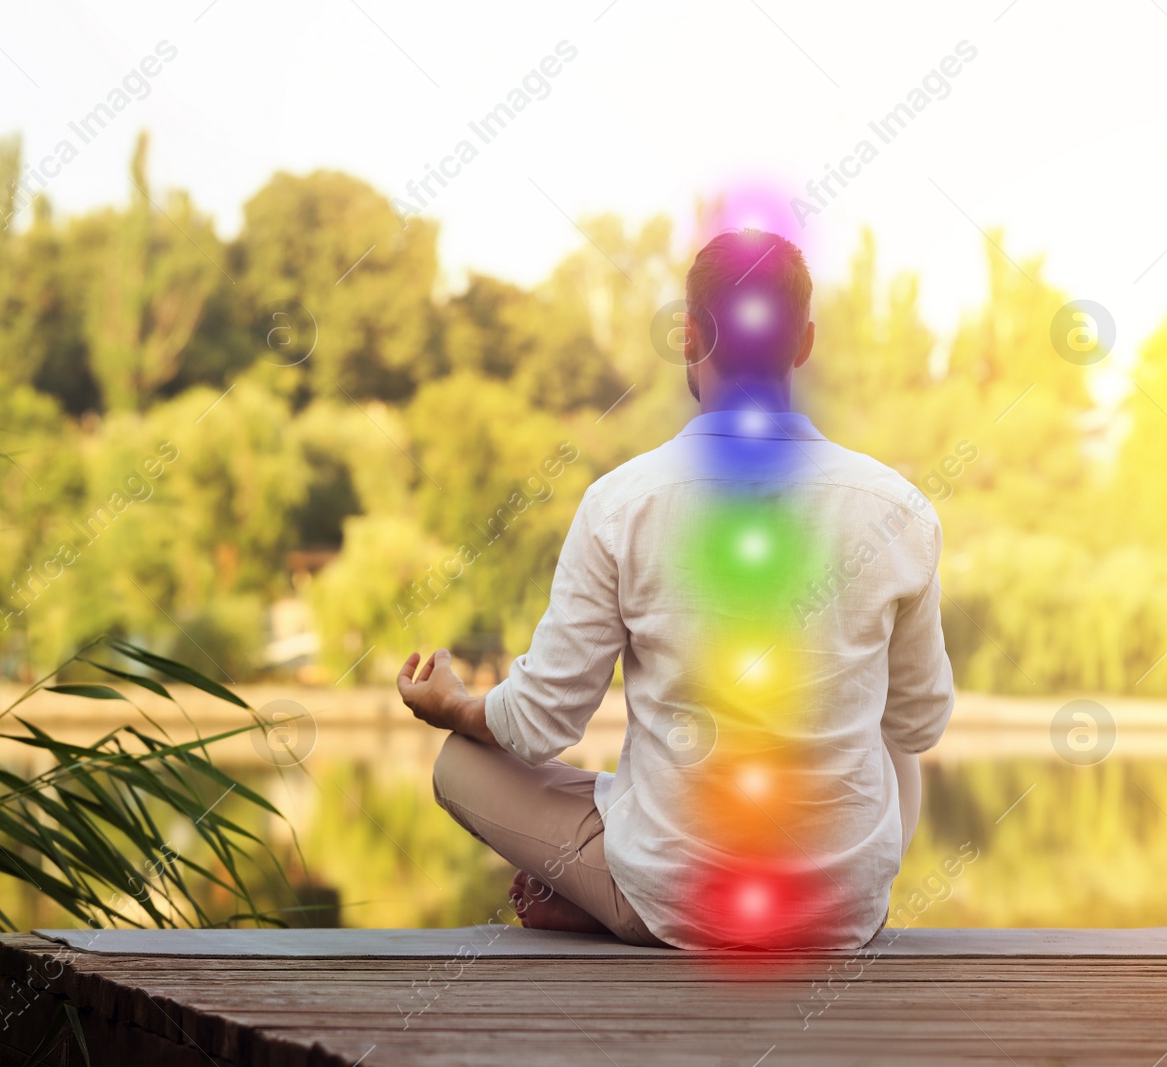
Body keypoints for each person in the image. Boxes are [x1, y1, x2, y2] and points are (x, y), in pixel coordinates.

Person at [395, 229, 954, 950]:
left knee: (463, 759)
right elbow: (919, 726)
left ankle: (611, 895)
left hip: (679, 905)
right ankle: (809, 894)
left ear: (689, 336)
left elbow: (539, 724)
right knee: (889, 721)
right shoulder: (899, 505)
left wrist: (454, 705)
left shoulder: (621, 501)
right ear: (805, 342)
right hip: (840, 918)